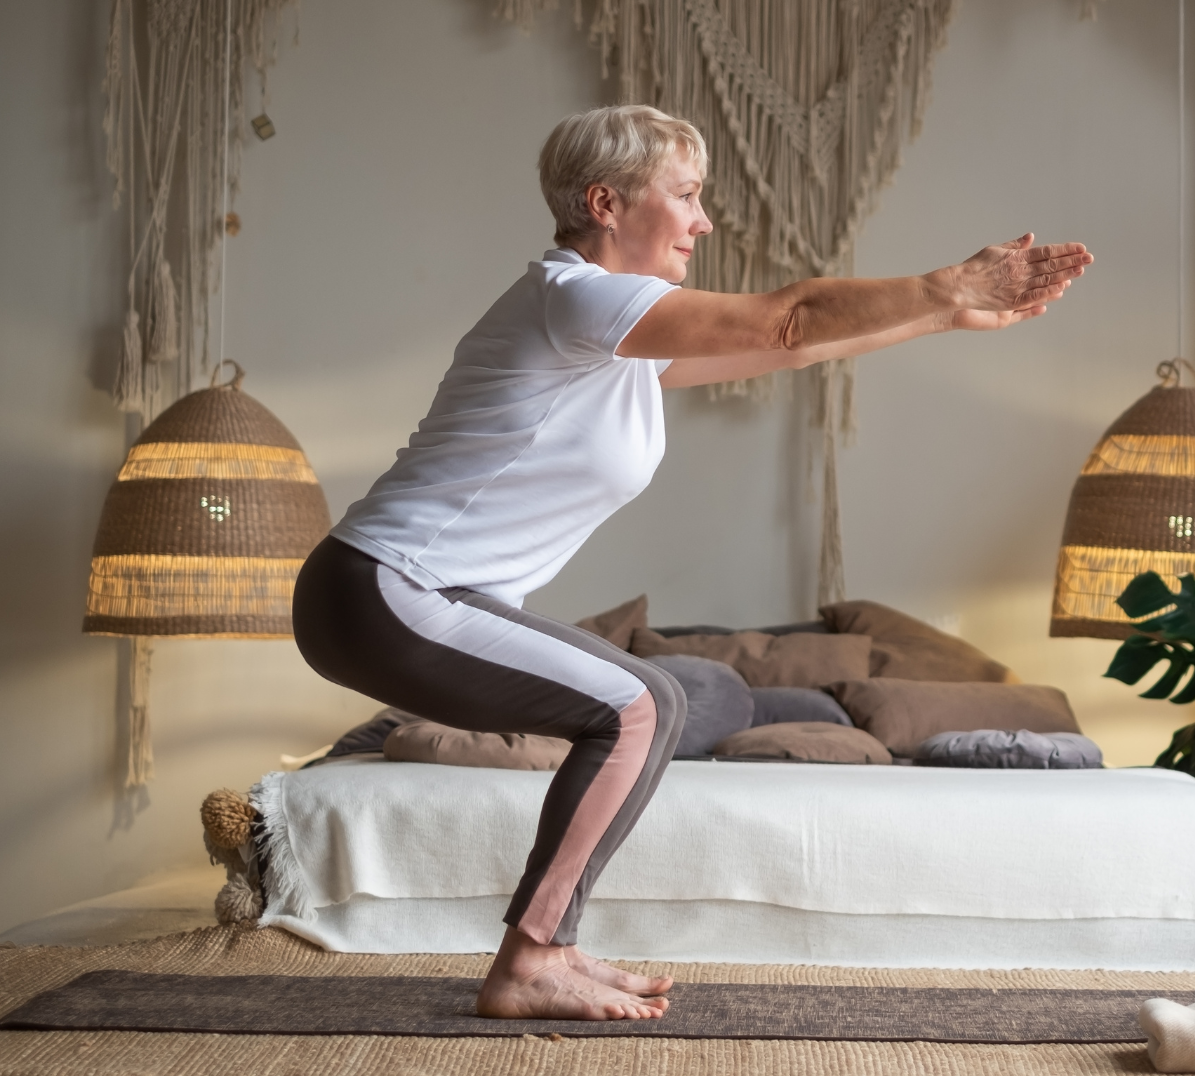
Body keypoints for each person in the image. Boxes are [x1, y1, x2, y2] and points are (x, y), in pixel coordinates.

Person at [292, 104, 1093, 1022]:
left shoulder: (611, 335)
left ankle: (546, 951)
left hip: (400, 596)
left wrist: (946, 316)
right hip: (384, 590)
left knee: (645, 703)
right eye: (686, 196)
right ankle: (533, 960)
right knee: (642, 704)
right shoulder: (577, 298)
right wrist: (943, 283)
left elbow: (785, 347)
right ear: (606, 202)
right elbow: (787, 318)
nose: (704, 221)